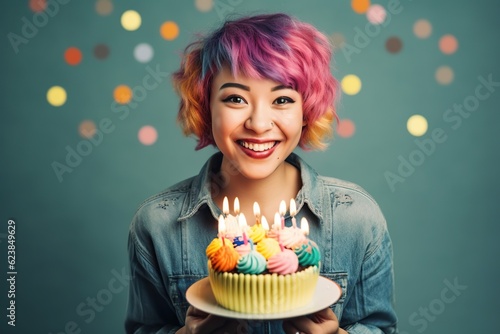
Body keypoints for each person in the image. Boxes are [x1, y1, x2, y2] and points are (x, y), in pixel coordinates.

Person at [125, 13, 398, 334]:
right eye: (235, 98)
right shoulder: (156, 225)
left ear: (306, 110)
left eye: (282, 99)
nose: (258, 123)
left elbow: (380, 328)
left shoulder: (357, 219)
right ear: (205, 106)